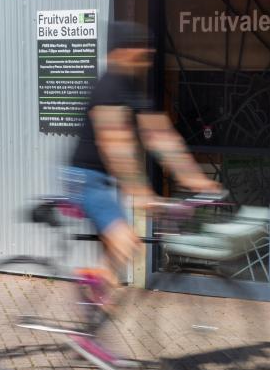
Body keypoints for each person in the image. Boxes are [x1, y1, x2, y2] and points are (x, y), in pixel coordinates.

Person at [62, 20, 220, 273]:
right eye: (140, 46)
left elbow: (161, 137)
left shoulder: (132, 89)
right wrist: (141, 192)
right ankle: (88, 296)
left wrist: (196, 180)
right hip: (85, 179)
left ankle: (97, 301)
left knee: (120, 252)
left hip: (102, 179)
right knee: (126, 242)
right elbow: (116, 147)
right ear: (122, 51)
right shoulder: (109, 88)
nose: (150, 51)